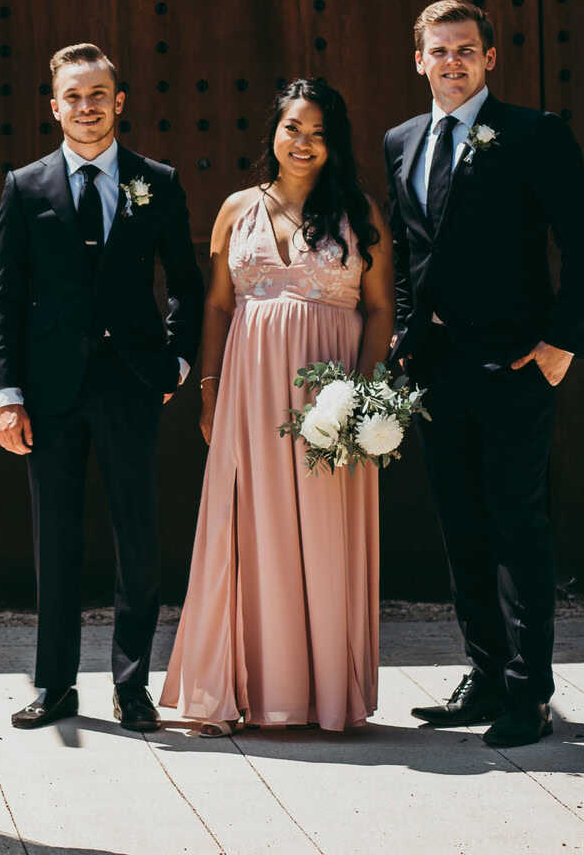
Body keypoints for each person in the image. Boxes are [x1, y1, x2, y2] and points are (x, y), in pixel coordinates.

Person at [384, 0, 584, 749]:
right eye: (438, 51)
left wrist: (560, 345)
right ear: (418, 59)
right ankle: (483, 673)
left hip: (514, 364)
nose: (452, 62)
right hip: (438, 371)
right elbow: (412, 255)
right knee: (461, 528)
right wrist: (406, 333)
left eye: (465, 50)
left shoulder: (534, 133)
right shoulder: (402, 142)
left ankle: (528, 694)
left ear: (489, 58)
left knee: (518, 527)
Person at [160, 78, 395, 734]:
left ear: (334, 145)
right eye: (294, 127)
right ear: (274, 132)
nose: (304, 142)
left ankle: (319, 695)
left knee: (323, 537)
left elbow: (380, 309)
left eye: (319, 133)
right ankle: (246, 688)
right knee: (248, 531)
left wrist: (363, 396)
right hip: (248, 391)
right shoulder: (237, 209)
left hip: (331, 399)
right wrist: (208, 391)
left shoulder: (360, 212)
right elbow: (215, 305)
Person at [0, 42, 203, 734]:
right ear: (54, 106)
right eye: (73, 96)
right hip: (50, 393)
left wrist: (176, 362)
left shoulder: (158, 181)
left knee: (137, 539)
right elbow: (4, 301)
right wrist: (7, 394)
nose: (87, 106)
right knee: (56, 541)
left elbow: (188, 284)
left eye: (98, 94)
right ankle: (53, 686)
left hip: (131, 387)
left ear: (120, 100)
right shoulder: (25, 186)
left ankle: (132, 685)